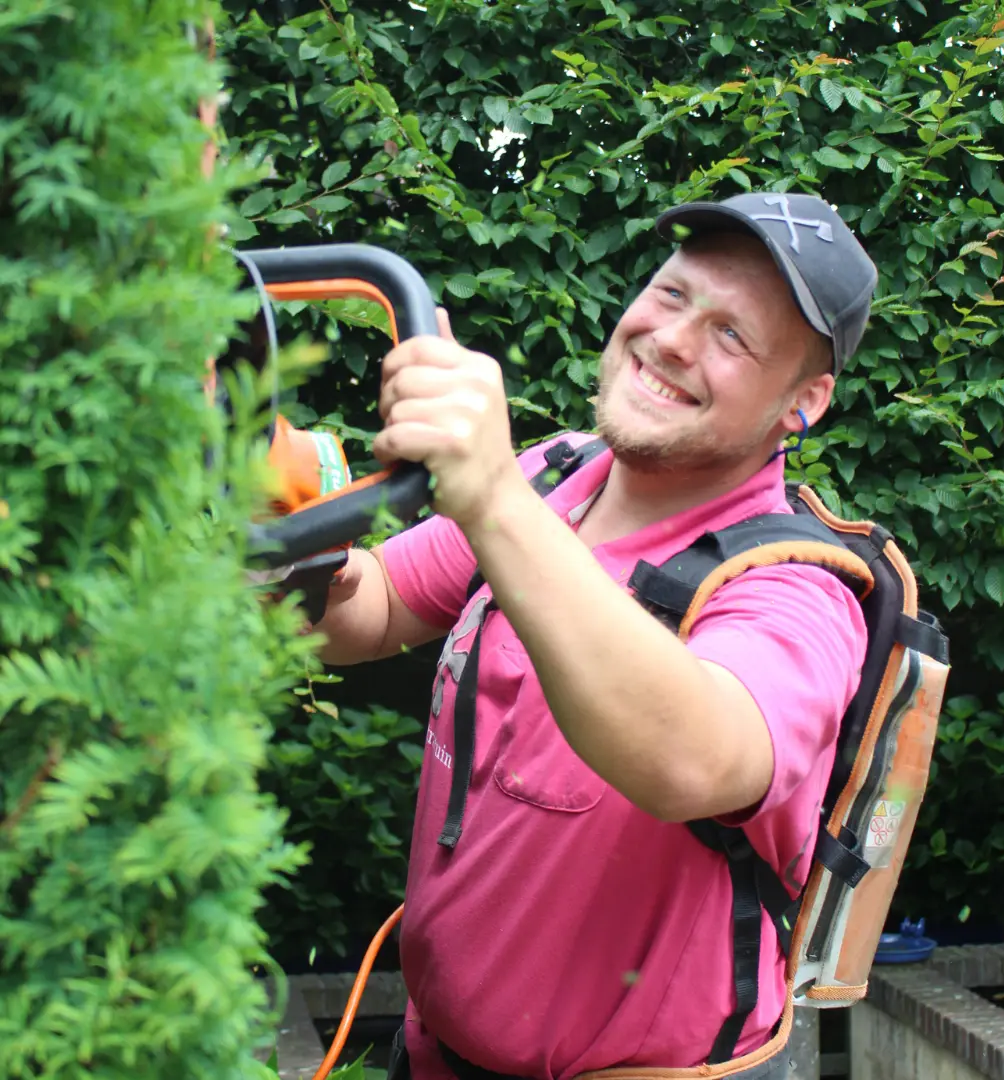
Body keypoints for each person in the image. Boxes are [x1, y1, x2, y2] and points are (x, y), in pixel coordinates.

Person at [314, 192, 879, 1080]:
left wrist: (492, 495)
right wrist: (285, 533)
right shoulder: (556, 477)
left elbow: (692, 758)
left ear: (802, 403)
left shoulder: (797, 591)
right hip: (430, 1057)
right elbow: (373, 606)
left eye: (734, 336)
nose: (674, 340)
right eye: (673, 294)